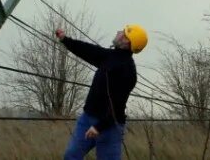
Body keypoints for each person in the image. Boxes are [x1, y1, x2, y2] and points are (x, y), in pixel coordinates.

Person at [56, 24, 147, 160]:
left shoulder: (128, 72)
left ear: (126, 41)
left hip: (109, 126)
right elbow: (88, 50)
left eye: (123, 32)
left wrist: (99, 127)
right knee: (71, 156)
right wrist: (65, 39)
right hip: (87, 119)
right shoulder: (109, 56)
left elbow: (118, 106)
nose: (118, 32)